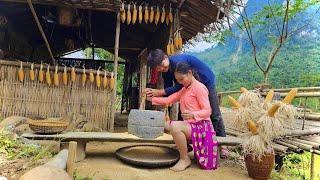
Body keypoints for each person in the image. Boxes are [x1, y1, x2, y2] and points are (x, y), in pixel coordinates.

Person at [146, 49, 228, 156]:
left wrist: (159, 92)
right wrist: (153, 95)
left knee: (214, 114)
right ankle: (186, 144)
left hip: (206, 80)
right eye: (158, 68)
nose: (161, 68)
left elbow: (179, 85)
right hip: (188, 85)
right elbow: (169, 89)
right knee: (183, 111)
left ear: (166, 57)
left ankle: (223, 145)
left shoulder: (178, 63)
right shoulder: (165, 72)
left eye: (161, 64)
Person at [146, 62, 218, 171]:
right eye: (178, 80)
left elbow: (208, 111)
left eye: (181, 79)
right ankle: (185, 146)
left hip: (202, 127)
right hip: (191, 126)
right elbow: (168, 100)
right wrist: (151, 99)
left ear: (189, 73)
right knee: (164, 124)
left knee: (175, 126)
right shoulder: (185, 89)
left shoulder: (199, 88)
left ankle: (184, 159)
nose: (180, 82)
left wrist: (193, 114)